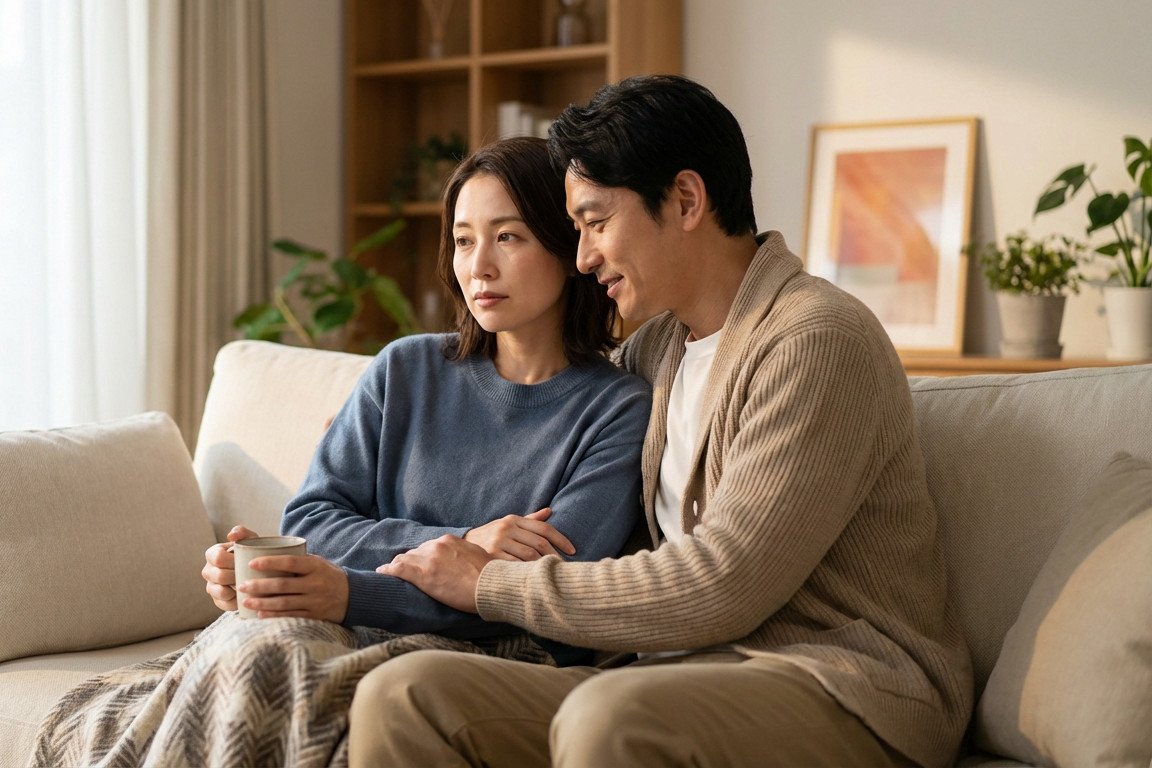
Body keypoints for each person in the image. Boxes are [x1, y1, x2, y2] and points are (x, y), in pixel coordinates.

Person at [358, 75, 973, 768]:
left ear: (685, 200)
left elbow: (724, 583)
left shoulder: (816, 340)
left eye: (595, 222)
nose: (583, 256)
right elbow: (554, 451)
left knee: (609, 719)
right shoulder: (656, 350)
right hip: (670, 673)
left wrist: (489, 584)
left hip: (840, 682)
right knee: (405, 694)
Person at [200, 135, 652, 663]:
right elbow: (309, 523)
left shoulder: (617, 409)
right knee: (240, 653)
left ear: (567, 246)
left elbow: (546, 593)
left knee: (269, 660)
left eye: (507, 236)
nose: (478, 266)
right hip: (349, 623)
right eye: (463, 241)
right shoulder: (404, 369)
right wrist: (466, 542)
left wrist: (351, 591)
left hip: (496, 657)